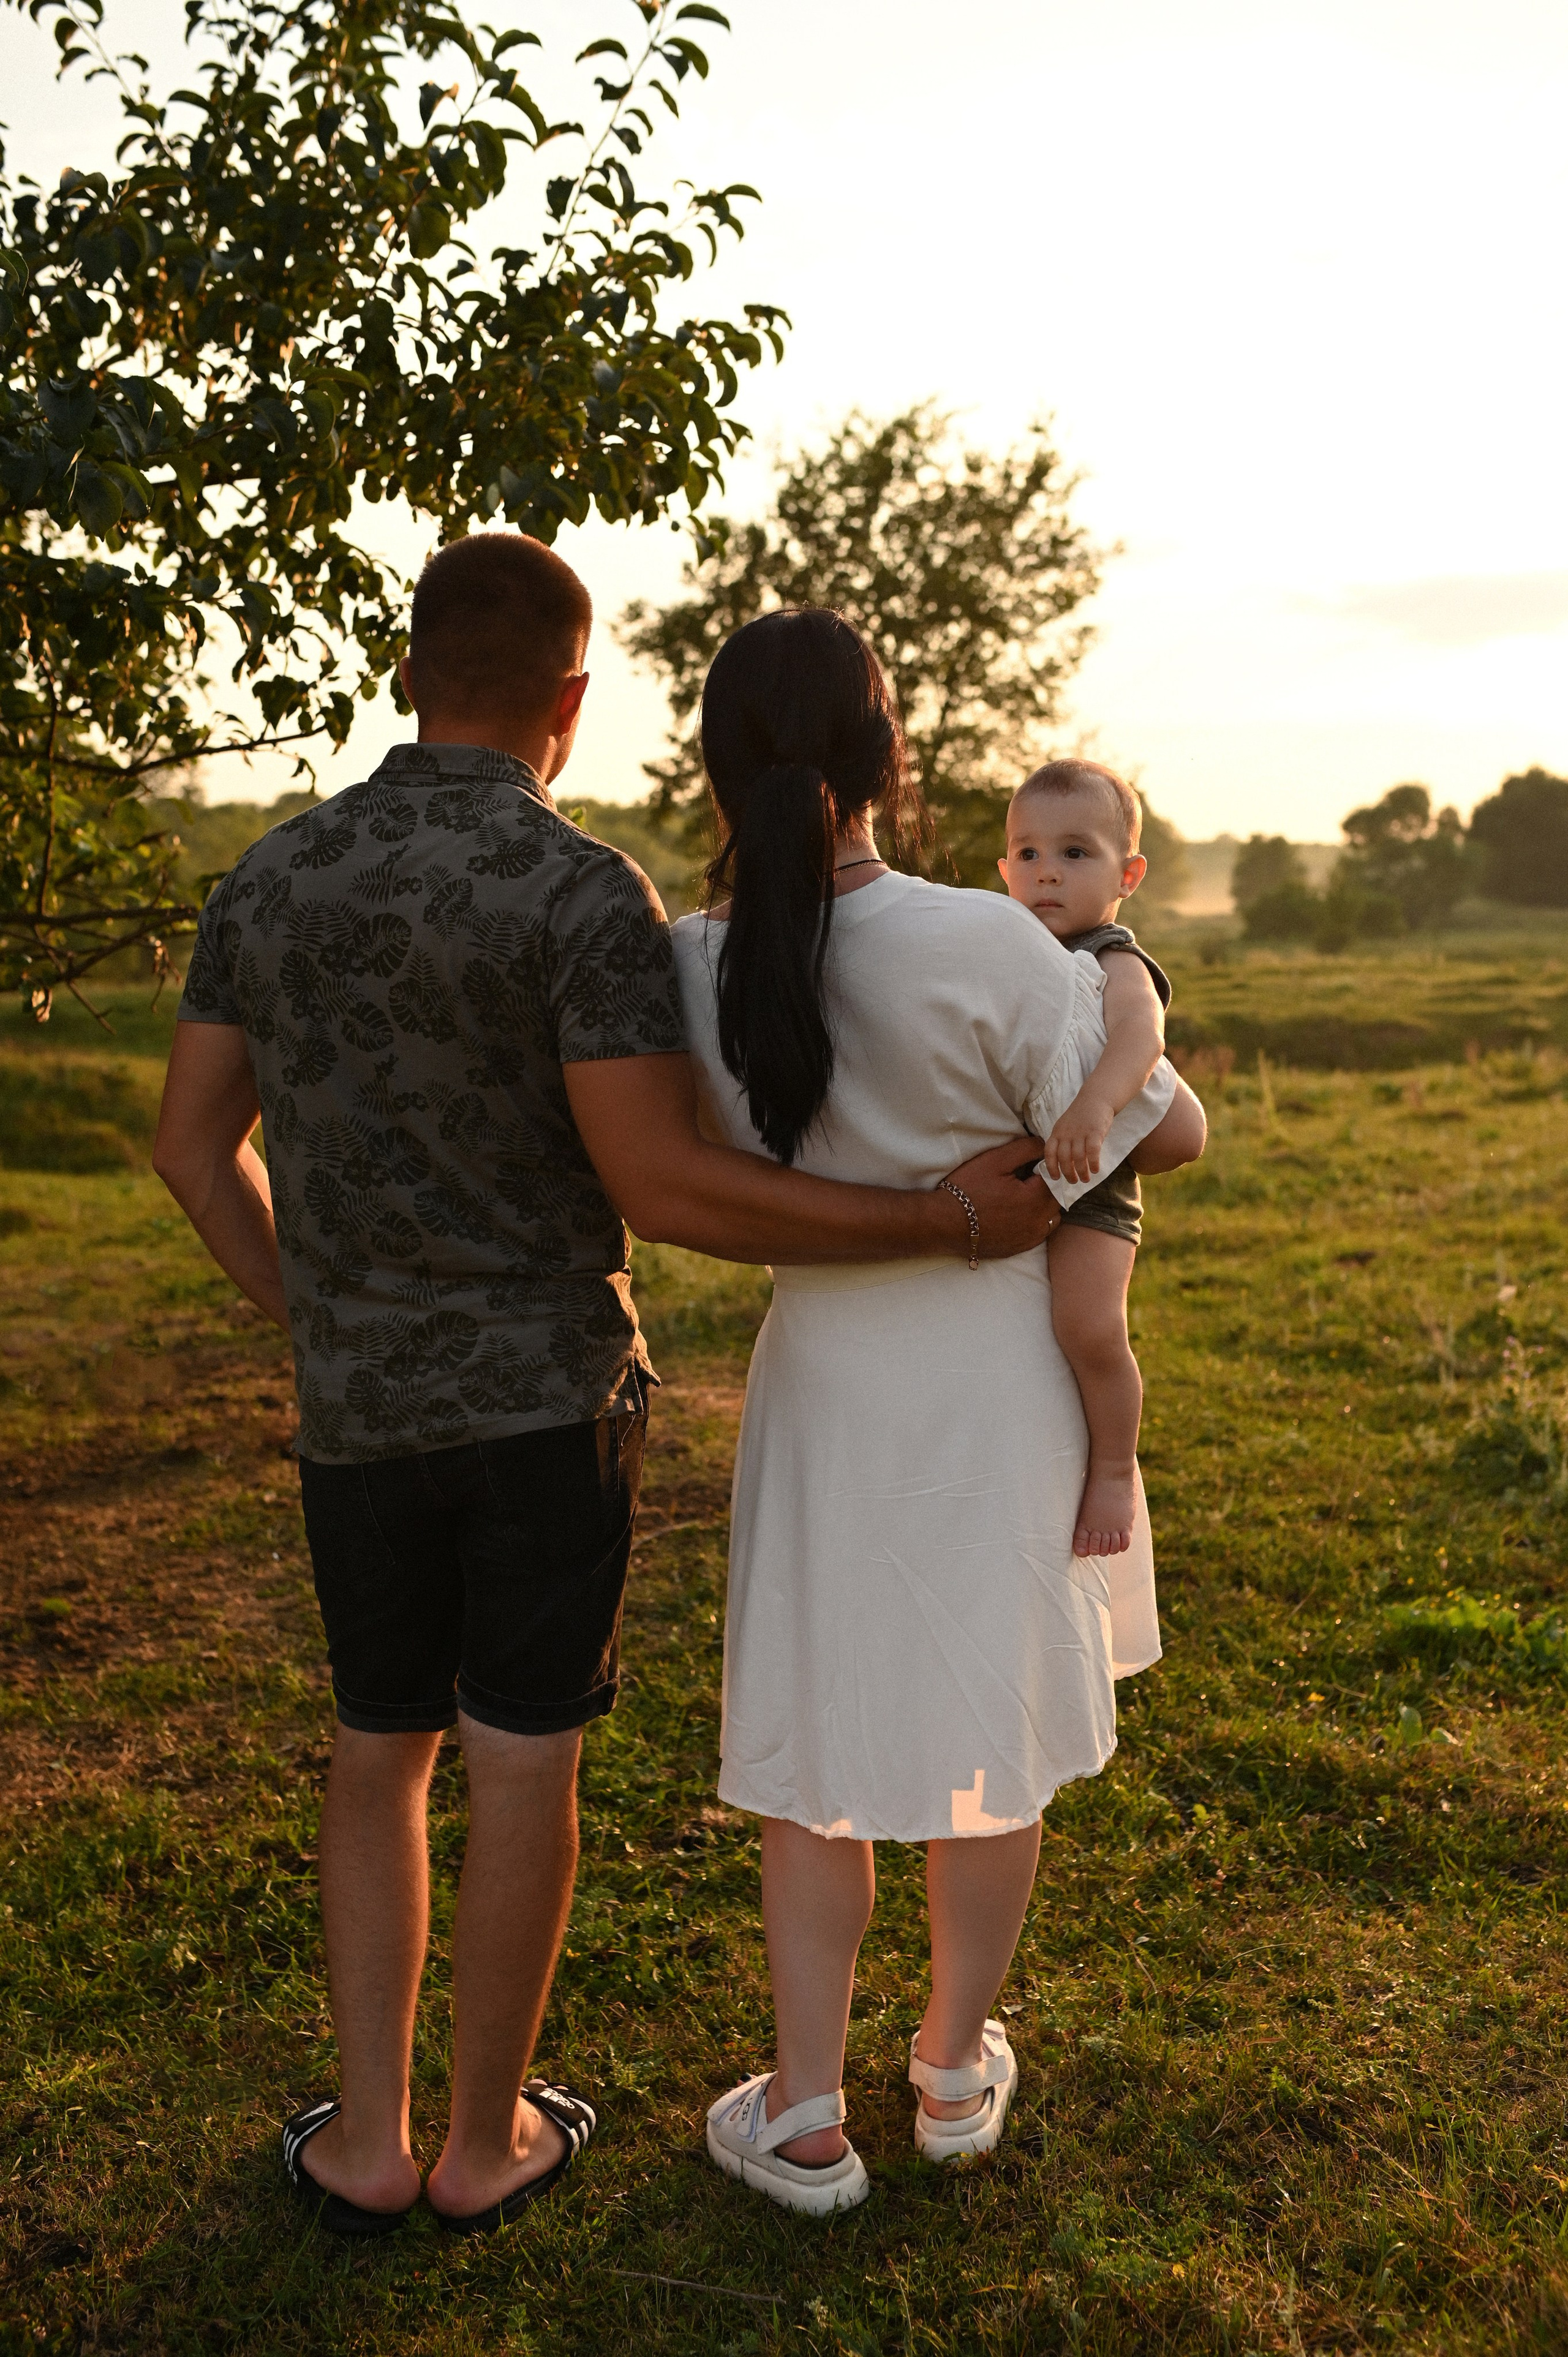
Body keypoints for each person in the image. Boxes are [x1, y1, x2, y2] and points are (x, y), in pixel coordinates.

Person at [151, 532, 1058, 2241]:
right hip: (544, 1404)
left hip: (360, 1407)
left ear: (406, 670)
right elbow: (664, 1185)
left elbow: (193, 1150)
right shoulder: (579, 891)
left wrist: (320, 1315)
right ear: (570, 698)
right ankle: (483, 2142)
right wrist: (940, 1219)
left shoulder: (268, 876)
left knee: (375, 1748)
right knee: (519, 1760)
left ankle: (367, 2142)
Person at [671, 608, 1205, 2216]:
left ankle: (806, 2111)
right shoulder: (993, 943)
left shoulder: (687, 966)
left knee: (817, 1743)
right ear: (887, 758)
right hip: (997, 1382)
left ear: (715, 768)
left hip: (827, 1382)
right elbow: (1168, 1132)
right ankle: (953, 2070)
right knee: (992, 1730)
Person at [997, 760, 1172, 1558]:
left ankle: (1112, 1468)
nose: (1047, 873)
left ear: (1127, 875)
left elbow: (1141, 1038)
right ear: (1005, 869)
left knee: (1089, 1326)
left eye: (1075, 853)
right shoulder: (1004, 949)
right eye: (1028, 854)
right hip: (1023, 1179)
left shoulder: (1114, 959)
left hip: (1093, 1184)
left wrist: (1096, 1105)